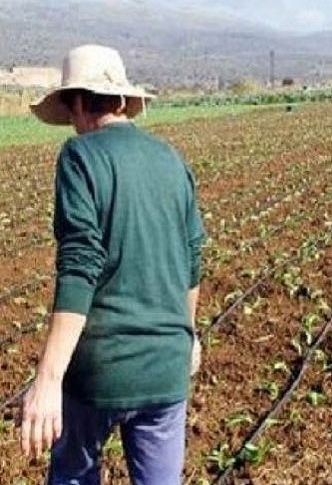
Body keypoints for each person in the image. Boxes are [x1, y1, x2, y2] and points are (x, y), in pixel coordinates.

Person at [20, 44, 206, 485]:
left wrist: (48, 378)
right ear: (122, 101)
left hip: (99, 371)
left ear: (78, 103)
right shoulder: (171, 160)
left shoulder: (80, 157)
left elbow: (80, 262)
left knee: (73, 473)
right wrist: (189, 334)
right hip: (166, 364)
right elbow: (192, 258)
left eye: (70, 107)